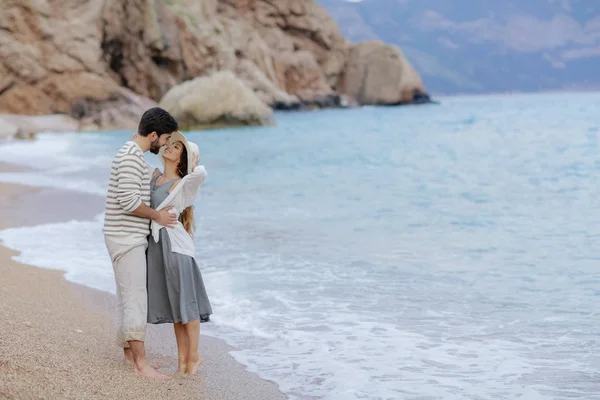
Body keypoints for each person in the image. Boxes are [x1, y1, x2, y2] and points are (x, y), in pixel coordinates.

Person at [103, 107, 179, 379]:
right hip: (124, 237)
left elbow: (150, 180)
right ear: (155, 135)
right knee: (136, 298)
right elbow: (129, 201)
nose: (166, 144)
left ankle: (128, 354)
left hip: (125, 235)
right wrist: (157, 215)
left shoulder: (134, 156)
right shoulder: (129, 158)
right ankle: (140, 363)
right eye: (166, 139)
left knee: (127, 297)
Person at [147, 131, 213, 375]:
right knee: (177, 309)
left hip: (176, 248)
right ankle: (182, 361)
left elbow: (201, 173)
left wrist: (191, 160)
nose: (169, 149)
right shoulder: (154, 179)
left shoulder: (183, 185)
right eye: (170, 145)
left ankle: (193, 357)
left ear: (182, 160)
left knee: (188, 305)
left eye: (176, 148)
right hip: (158, 249)